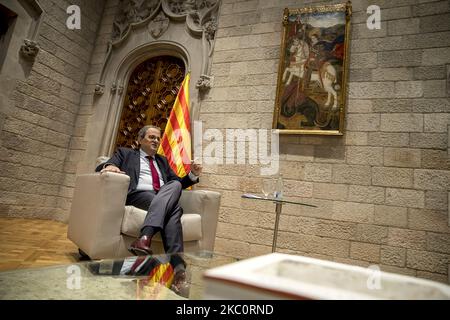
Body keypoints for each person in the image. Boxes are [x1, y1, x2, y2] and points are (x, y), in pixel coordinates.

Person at [95, 124, 202, 294]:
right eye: (152, 137)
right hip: (138, 195)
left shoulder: (162, 160)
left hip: (160, 197)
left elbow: (178, 184)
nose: (156, 141)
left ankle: (145, 238)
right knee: (174, 208)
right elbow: (107, 164)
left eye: (158, 138)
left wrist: (193, 175)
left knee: (173, 190)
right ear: (139, 139)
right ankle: (179, 268)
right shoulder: (126, 153)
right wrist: (108, 167)